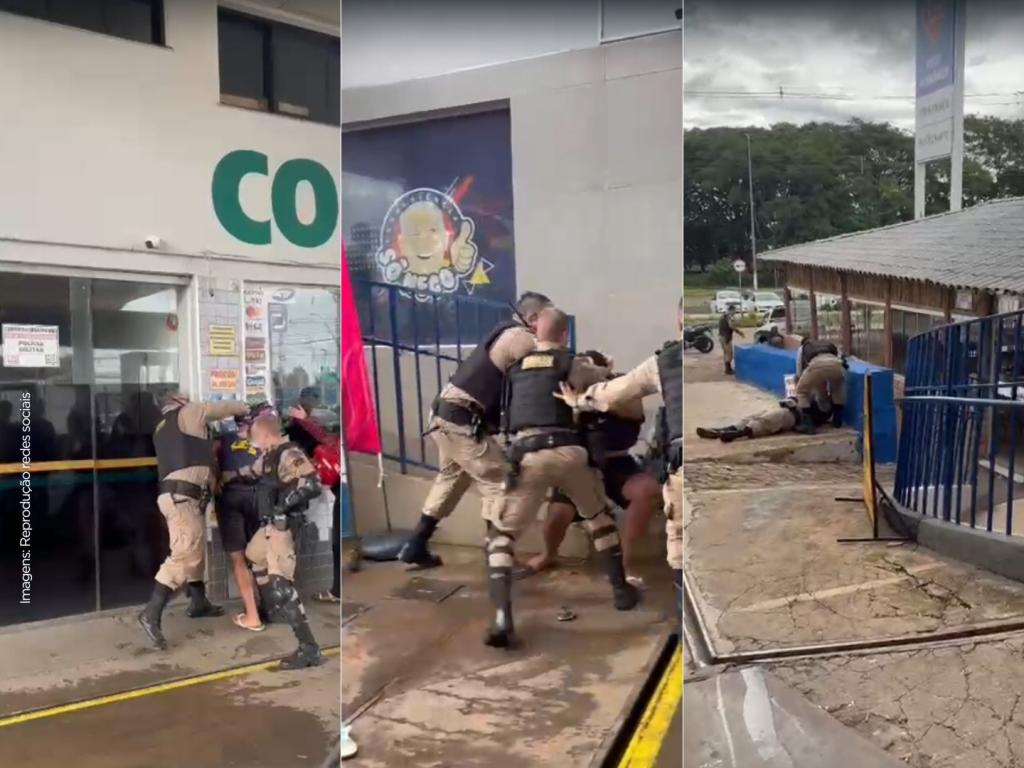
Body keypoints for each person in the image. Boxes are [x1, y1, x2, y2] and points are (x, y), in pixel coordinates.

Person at [485, 308, 638, 648]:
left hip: (526, 454)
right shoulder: (571, 363)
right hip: (569, 451)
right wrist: (607, 367)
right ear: (565, 334)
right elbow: (607, 383)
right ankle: (621, 591)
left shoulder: (514, 368)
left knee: (502, 536)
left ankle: (501, 617)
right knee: (598, 519)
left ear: (534, 332)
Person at [397, 291, 553, 569]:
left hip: (445, 416)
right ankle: (498, 556)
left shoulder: (505, 333)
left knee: (452, 479)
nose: (552, 325)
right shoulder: (521, 338)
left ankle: (415, 544)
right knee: (500, 481)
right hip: (461, 419)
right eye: (548, 318)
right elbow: (546, 371)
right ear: (532, 318)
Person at [556, 298, 685, 616]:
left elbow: (621, 398)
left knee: (679, 545)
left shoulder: (661, 363)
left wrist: (583, 399)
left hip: (632, 465)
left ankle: (641, 578)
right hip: (584, 467)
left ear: (679, 322)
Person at [526, 350, 662, 586]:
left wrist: (586, 401)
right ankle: (549, 554)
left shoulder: (621, 390)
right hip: (582, 466)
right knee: (557, 515)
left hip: (617, 464)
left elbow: (630, 410)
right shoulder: (567, 393)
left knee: (646, 491)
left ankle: (625, 565)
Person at [139, 391, 249, 650]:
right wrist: (244, 407)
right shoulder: (187, 412)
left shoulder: (164, 427)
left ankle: (199, 602)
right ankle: (151, 613)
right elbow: (218, 408)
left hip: (182, 498)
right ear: (177, 402)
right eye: (186, 398)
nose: (190, 401)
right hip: (182, 499)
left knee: (196, 551)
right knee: (184, 554)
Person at [237, 413, 325, 669]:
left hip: (282, 527)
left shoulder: (289, 454)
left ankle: (309, 648)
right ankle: (273, 608)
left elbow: (313, 484)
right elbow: (250, 473)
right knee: (254, 555)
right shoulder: (270, 456)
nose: (255, 445)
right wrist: (225, 477)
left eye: (256, 439)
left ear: (267, 436)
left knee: (281, 584)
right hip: (268, 527)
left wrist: (281, 508)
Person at [216, 403, 276, 632]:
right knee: (261, 556)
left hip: (230, 498)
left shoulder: (222, 440)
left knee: (239, 559)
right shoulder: (263, 441)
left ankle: (253, 615)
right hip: (258, 498)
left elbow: (213, 467)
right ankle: (271, 608)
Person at [288, 405, 342, 603]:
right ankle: (337, 591)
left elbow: (325, 439)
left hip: (341, 489)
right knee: (337, 544)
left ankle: (338, 592)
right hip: (340, 488)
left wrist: (305, 421)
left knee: (337, 544)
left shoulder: (333, 442)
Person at [696, 397, 832, 443]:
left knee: (765, 421)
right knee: (751, 417)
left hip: (792, 416)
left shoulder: (822, 410)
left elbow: (809, 422)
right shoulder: (812, 396)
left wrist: (796, 407)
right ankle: (720, 431)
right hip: (787, 409)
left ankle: (734, 434)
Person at [794, 338, 848, 433]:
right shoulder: (828, 343)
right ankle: (837, 421)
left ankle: (807, 424)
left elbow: (799, 366)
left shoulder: (803, 348)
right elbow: (841, 357)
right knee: (837, 390)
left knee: (801, 392)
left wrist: (799, 378)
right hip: (837, 365)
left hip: (816, 365)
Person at [719, 307, 744, 375]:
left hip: (721, 336)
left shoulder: (723, 316)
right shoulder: (728, 317)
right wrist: (739, 332)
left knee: (726, 353)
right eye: (734, 311)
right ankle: (728, 370)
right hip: (726, 337)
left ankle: (728, 369)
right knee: (729, 353)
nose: (734, 313)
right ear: (731, 310)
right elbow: (731, 326)